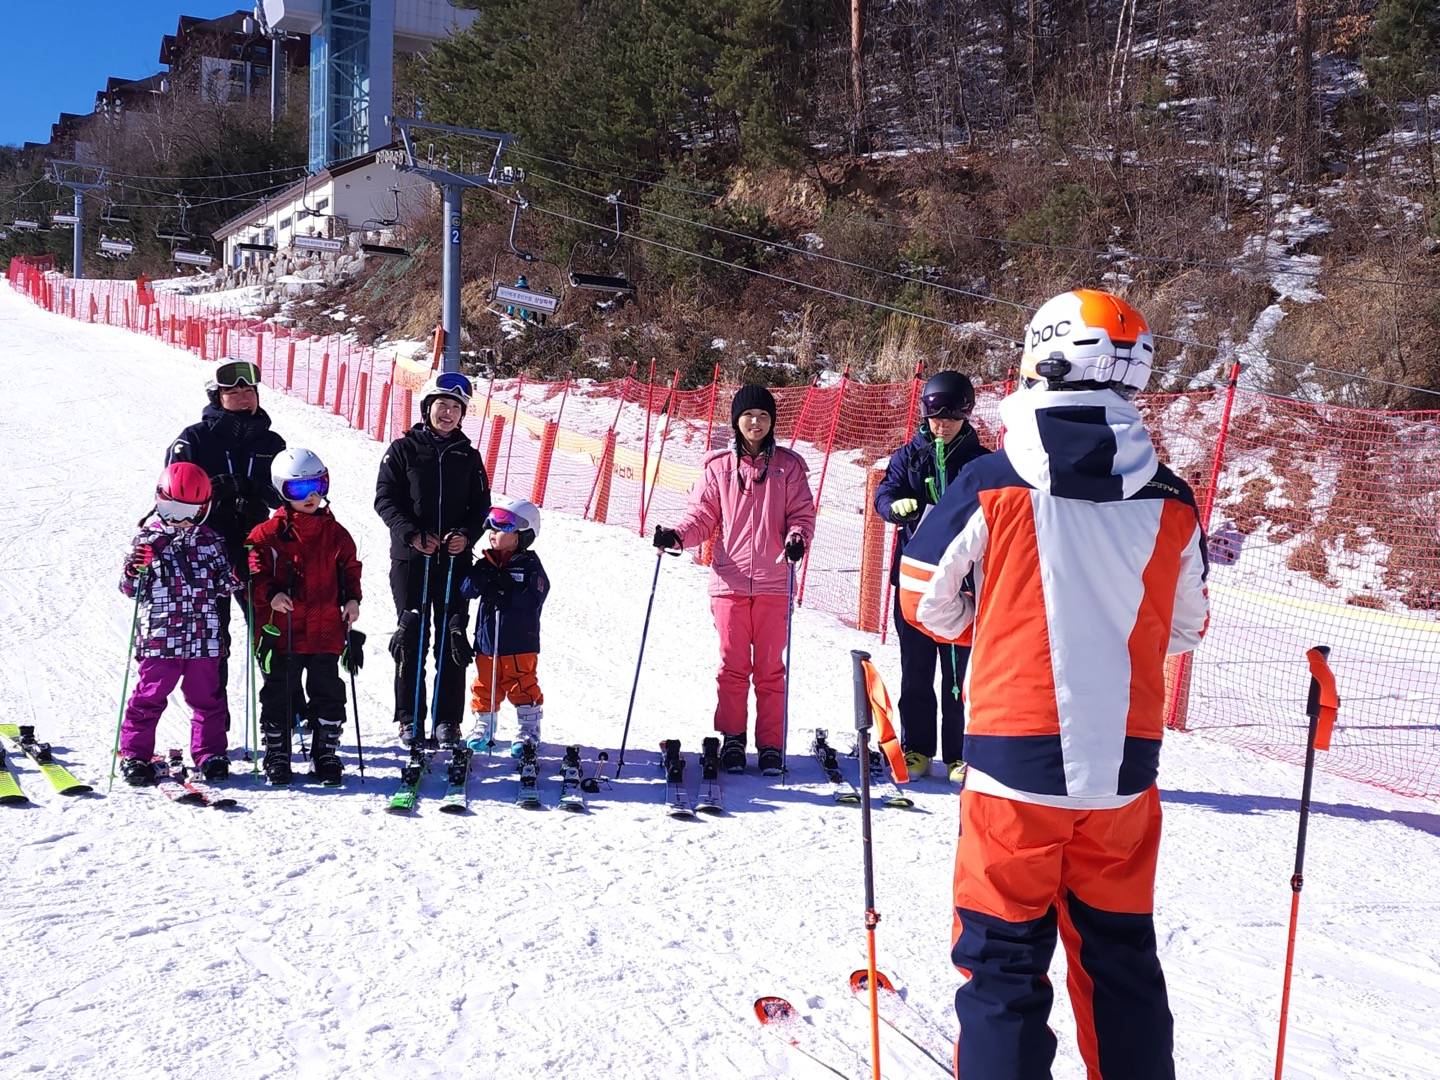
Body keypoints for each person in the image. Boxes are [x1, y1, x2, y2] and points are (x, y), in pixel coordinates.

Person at [899, 289, 1209, 1080]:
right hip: (1124, 765)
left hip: (1014, 756)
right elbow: (1184, 628)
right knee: (1121, 958)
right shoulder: (1172, 497)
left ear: (1042, 357)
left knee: (1003, 963)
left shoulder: (994, 477)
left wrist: (989, 624)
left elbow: (922, 595)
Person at [652, 384, 816, 776]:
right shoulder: (718, 468)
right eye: (748, 416)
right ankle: (733, 738)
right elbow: (702, 518)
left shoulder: (789, 467)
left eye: (762, 415)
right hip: (730, 582)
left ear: (772, 421)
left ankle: (772, 743)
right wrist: (677, 535)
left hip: (775, 581)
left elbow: (802, 516)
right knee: (732, 664)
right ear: (736, 421)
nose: (755, 423)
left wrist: (796, 540)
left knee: (770, 668)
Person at [874, 370, 990, 783]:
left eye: (950, 418)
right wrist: (894, 506)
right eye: (933, 417)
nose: (940, 425)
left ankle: (959, 753)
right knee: (916, 670)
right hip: (914, 582)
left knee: (958, 675)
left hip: (961, 586)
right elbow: (884, 493)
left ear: (966, 415)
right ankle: (917, 747)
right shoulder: (910, 454)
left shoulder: (982, 463)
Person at [374, 371, 491, 748]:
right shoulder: (403, 450)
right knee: (413, 638)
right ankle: (409, 718)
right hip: (412, 561)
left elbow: (480, 508)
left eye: (455, 408)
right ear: (427, 408)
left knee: (452, 639)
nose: (448, 413)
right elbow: (385, 499)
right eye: (442, 405)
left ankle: (447, 721)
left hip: (454, 562)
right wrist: (411, 534)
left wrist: (466, 535)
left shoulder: (468, 456)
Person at [166, 357, 287, 716]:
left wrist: (258, 492)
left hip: (256, 547)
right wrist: (213, 494)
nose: (244, 397)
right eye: (233, 392)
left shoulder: (271, 441)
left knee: (270, 631)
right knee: (213, 638)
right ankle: (214, 720)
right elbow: (173, 493)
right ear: (216, 396)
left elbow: (288, 493)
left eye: (249, 390)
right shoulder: (194, 439)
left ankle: (281, 712)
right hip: (207, 550)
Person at [117, 463, 243, 785]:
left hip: (203, 637)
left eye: (190, 511)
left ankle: (210, 753)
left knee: (208, 699)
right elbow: (130, 589)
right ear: (159, 501)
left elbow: (223, 584)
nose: (180, 518)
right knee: (149, 697)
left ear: (204, 509)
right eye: (171, 508)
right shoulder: (148, 540)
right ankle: (134, 754)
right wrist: (135, 570)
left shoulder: (211, 540)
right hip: (161, 638)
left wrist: (243, 572)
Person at [246, 449, 363, 786]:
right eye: (299, 490)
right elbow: (253, 573)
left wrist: (352, 599)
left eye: (318, 486)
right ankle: (278, 753)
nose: (311, 497)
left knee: (328, 690)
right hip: (283, 631)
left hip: (326, 630)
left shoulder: (336, 533)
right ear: (282, 491)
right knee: (279, 691)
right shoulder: (265, 535)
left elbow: (350, 569)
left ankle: (325, 753)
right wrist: (271, 594)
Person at [447, 495, 550, 754]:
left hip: (519, 643)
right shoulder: (486, 563)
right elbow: (466, 590)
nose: (493, 534)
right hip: (487, 642)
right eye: (491, 529)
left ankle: (528, 729)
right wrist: (481, 576)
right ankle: (484, 725)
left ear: (522, 535)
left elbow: (536, 596)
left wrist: (509, 591)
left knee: (523, 685)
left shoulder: (530, 567)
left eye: (502, 529)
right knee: (485, 684)